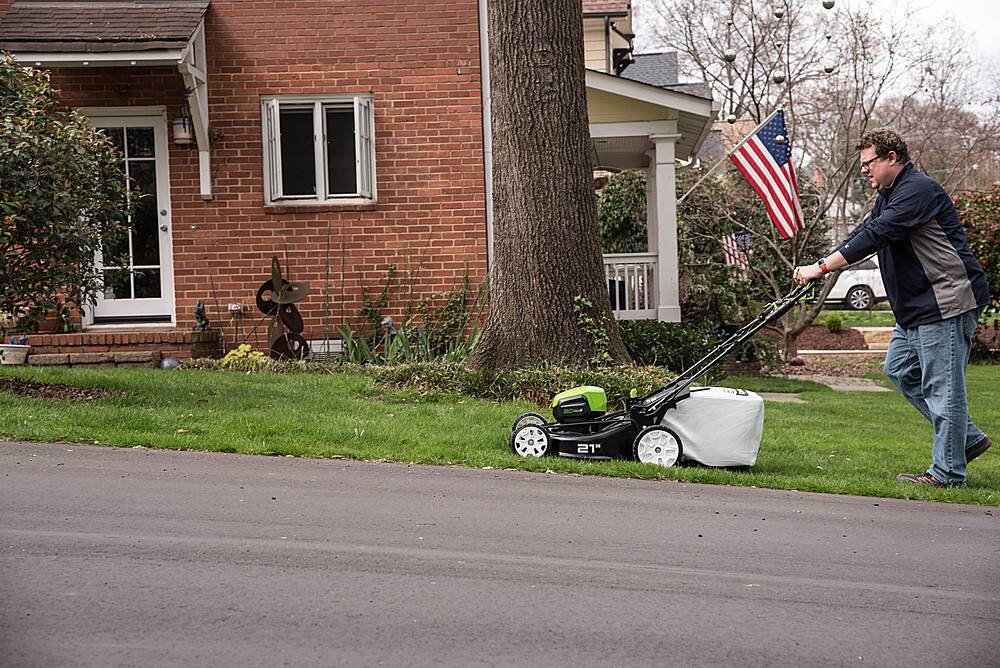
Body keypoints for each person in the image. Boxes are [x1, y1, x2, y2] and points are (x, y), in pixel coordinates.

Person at [793, 128, 991, 488]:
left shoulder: (918, 191)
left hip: (944, 301)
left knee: (943, 390)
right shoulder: (888, 196)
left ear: (891, 158)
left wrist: (820, 268)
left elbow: (876, 235)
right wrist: (822, 264)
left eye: (868, 162)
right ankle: (966, 439)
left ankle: (948, 474)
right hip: (915, 307)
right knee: (899, 370)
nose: (863, 169)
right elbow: (860, 234)